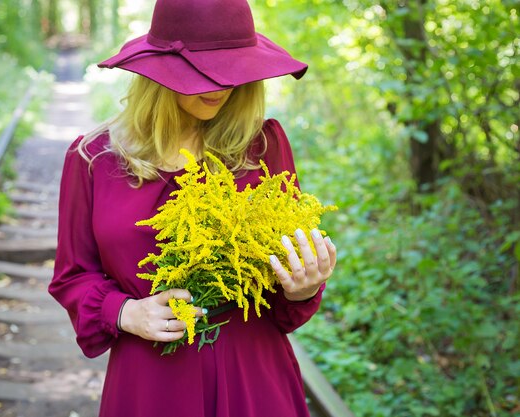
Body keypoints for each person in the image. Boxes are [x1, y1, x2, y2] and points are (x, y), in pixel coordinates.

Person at [48, 0, 338, 416]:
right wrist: (126, 311)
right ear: (160, 74)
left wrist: (304, 284)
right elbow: (72, 275)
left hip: (253, 378)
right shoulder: (94, 158)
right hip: (150, 382)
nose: (221, 85)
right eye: (203, 71)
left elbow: (286, 296)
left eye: (233, 70)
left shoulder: (263, 146)